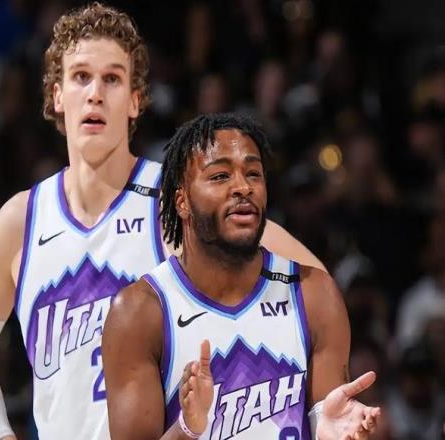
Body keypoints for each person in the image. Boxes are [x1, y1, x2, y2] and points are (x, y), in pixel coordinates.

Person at [0, 3, 326, 440]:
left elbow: (312, 283)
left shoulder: (175, 201)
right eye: (81, 77)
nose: (95, 93)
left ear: (135, 100)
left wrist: (310, 411)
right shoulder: (22, 221)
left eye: (112, 79)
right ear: (57, 95)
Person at [102, 113, 381, 439]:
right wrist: (186, 429)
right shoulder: (139, 313)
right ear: (182, 201)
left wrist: (331, 433)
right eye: (220, 176)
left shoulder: (313, 295)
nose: (243, 187)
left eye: (253, 174)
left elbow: (330, 426)